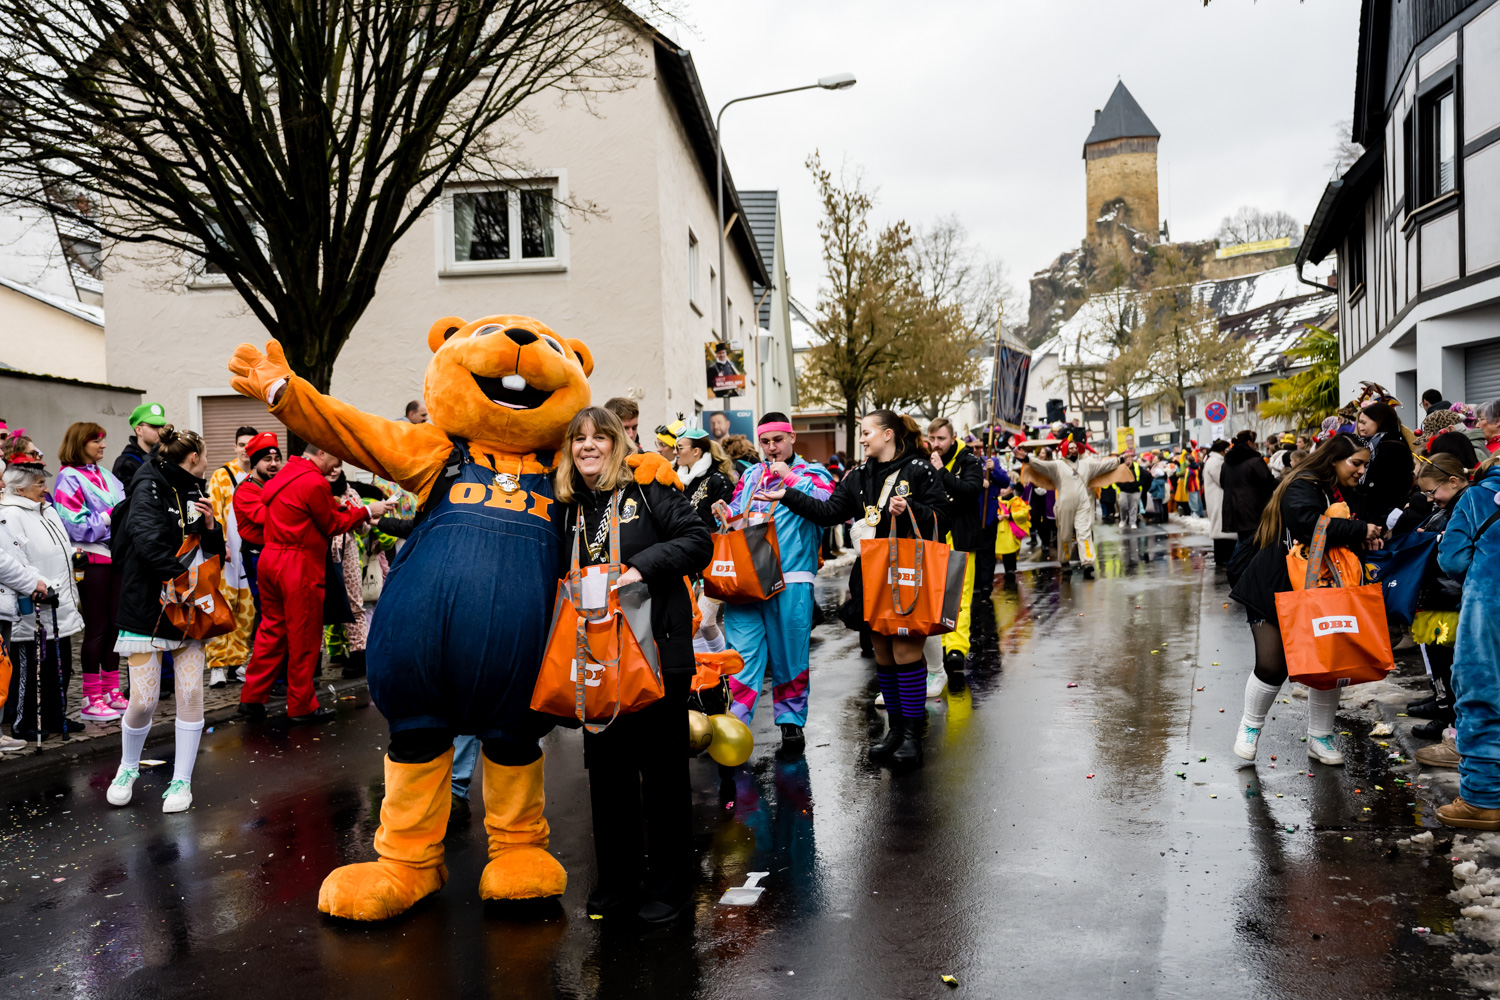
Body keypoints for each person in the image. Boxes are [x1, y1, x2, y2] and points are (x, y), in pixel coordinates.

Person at [555, 406, 711, 922]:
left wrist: (640, 568)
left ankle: (671, 888)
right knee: (608, 775)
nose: (588, 446)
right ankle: (618, 882)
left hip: (656, 654)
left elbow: (698, 541)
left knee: (662, 776)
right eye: (579, 439)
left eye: (600, 437)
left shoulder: (647, 488)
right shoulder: (568, 507)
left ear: (617, 443)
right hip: (597, 660)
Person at [756, 410, 949, 766]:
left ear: (888, 434)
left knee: (906, 654)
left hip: (908, 575)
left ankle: (912, 736)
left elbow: (943, 517)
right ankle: (895, 732)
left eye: (866, 432)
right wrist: (787, 495)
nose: (861, 439)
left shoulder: (919, 470)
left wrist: (911, 509)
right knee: (884, 656)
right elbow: (828, 512)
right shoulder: (858, 476)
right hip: (871, 575)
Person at [1228, 434, 1382, 767]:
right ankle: (1249, 728)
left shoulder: (1344, 490)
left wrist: (1368, 533)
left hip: (1324, 589)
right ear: (1334, 460)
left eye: (1364, 465)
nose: (1361, 471)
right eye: (1356, 463)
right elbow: (1307, 525)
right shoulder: (1304, 484)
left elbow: (1356, 525)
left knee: (1328, 663)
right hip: (1274, 586)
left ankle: (1320, 737)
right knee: (1272, 665)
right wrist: (1359, 530)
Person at [105, 427, 222, 812]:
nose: (207, 462)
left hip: (188, 606)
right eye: (206, 456)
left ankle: (181, 781)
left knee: (190, 694)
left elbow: (213, 550)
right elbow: (146, 541)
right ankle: (127, 767)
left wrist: (211, 527)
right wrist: (180, 580)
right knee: (143, 700)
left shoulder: (195, 488)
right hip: (146, 605)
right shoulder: (148, 486)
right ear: (194, 457)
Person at [239, 443, 390, 723]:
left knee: (271, 631)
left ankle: (252, 698)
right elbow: (332, 525)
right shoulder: (314, 481)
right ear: (321, 452)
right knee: (304, 637)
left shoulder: (286, 473)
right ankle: (301, 706)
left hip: (271, 557)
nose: (337, 466)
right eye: (335, 458)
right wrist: (367, 511)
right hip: (298, 563)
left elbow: (303, 509)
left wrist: (341, 508)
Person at [721, 413, 835, 751]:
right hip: (747, 579)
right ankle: (735, 722)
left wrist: (789, 478)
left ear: (792, 438)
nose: (771, 448)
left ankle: (790, 722)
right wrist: (725, 514)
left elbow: (829, 506)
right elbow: (737, 514)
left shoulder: (813, 473)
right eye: (765, 442)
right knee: (740, 655)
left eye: (778, 440)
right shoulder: (750, 475)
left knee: (789, 655)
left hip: (791, 578)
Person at [1428, 451, 1500, 828]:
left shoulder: (1476, 497)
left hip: (1489, 611)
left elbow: (1453, 559)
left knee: (1481, 694)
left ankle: (1483, 799)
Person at [0, 460, 83, 741]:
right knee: (32, 667)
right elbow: (17, 559)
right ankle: (25, 722)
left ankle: (55, 715)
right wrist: (40, 583)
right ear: (20, 490)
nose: (46, 489)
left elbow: (58, 548)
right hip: (34, 602)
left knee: (60, 663)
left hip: (61, 601)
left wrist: (74, 555)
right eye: (40, 484)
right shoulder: (11, 514)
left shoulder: (47, 510)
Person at [53, 422, 128, 721]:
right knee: (97, 627)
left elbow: (125, 513)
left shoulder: (106, 475)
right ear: (79, 443)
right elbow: (75, 525)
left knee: (114, 626)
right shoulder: (67, 477)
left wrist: (112, 522)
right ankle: (90, 696)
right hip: (91, 559)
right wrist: (109, 519)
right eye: (96, 440)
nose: (103, 445)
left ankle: (111, 689)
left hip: (115, 556)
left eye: (103, 440)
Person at [1401, 454, 1469, 748]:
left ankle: (1448, 717)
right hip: (1439, 596)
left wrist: (1434, 539)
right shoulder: (1452, 505)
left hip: (1448, 598)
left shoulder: (1465, 507)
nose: (1429, 499)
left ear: (1453, 481)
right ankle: (1442, 706)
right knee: (1439, 658)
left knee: (1447, 660)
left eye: (1432, 492)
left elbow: (1457, 553)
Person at [1019, 439, 1126, 579]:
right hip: (1064, 505)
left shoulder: (1086, 465)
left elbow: (1103, 465)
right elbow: (1042, 465)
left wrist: (1120, 460)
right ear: (1065, 450)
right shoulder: (1058, 465)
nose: (1074, 450)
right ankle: (1065, 562)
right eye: (1071, 448)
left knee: (1084, 533)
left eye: (1075, 448)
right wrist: (1027, 459)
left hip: (1083, 504)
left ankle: (1087, 562)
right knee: (1065, 535)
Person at [927, 418, 983, 678]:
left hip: (961, 537)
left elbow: (971, 490)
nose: (936, 444)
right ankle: (939, 643)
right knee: (936, 595)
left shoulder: (968, 460)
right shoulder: (925, 460)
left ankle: (956, 648)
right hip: (935, 536)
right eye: (932, 439)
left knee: (960, 594)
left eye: (941, 438)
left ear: (953, 438)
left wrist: (941, 473)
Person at [204, 426, 258, 688]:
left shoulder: (261, 477)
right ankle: (217, 665)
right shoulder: (221, 476)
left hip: (249, 554)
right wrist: (219, 544)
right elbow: (212, 514)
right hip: (226, 555)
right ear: (235, 447)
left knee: (246, 611)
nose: (246, 449)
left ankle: (237, 662)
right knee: (220, 608)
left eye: (251, 444)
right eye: (242, 444)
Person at [0, 517, 49, 752]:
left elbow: (15, 555)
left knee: (2, 670)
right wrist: (30, 583)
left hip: (6, 601)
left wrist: (35, 580)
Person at [1220, 432, 1276, 575]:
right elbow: (1268, 482)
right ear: (1249, 442)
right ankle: (1235, 570)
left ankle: (1242, 571)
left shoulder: (1227, 462)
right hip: (1252, 508)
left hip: (1233, 507)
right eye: (1254, 441)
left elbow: (1222, 483)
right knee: (1248, 543)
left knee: (1244, 540)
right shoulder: (1255, 461)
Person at [1354, 401, 1415, 529]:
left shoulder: (1393, 447)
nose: (1360, 426)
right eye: (1359, 422)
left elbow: (1391, 489)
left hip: (1384, 517)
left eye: (1364, 422)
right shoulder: (1371, 443)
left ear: (1380, 421)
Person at [675, 428, 735, 531]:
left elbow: (728, 521)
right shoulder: (679, 480)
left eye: (679, 447)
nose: (675, 452)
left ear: (696, 451)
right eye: (674, 447)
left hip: (710, 540)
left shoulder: (718, 481)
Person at [973, 443, 1012, 594]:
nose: (975, 450)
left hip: (989, 514)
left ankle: (986, 585)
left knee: (988, 551)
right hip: (972, 515)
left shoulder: (991, 461)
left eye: (977, 447)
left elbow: (1005, 481)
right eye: (971, 447)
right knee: (974, 552)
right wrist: (978, 481)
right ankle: (975, 584)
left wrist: (993, 470)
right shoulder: (964, 462)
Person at [112, 402, 167, 489]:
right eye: (154, 426)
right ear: (138, 430)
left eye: (162, 426)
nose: (161, 431)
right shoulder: (125, 462)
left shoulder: (165, 458)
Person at [993, 485, 1030, 580]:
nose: (1002, 490)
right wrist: (996, 516)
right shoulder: (996, 500)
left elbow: (1023, 512)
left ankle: (1010, 570)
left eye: (1005, 488)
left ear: (1012, 490)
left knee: (1010, 550)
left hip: (1011, 531)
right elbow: (990, 511)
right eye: (1001, 488)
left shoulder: (1017, 501)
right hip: (999, 530)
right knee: (999, 551)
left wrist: (1011, 515)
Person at [1203, 439, 1230, 559]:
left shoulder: (1214, 461)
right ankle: (1221, 558)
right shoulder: (1216, 462)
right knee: (1220, 527)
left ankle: (1221, 557)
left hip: (1217, 498)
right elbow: (1222, 480)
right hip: (1218, 498)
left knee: (1219, 526)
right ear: (1223, 450)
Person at [1115, 453, 1147, 531]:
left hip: (1135, 490)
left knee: (1134, 507)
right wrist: (1122, 485)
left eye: (1129, 458)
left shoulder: (1137, 467)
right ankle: (1123, 520)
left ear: (1132, 459)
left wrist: (1137, 484)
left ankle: (1133, 522)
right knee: (1122, 505)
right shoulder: (1121, 467)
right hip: (1124, 490)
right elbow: (1116, 478)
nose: (1128, 459)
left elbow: (1144, 477)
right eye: (1126, 458)